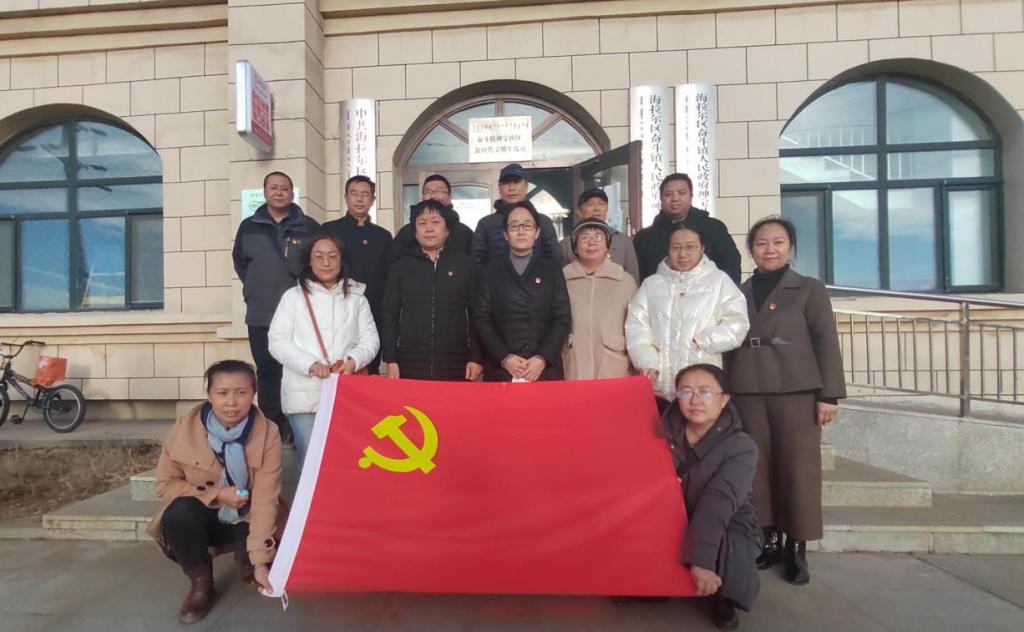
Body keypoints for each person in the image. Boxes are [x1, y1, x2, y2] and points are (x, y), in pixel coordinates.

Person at [725, 217, 845, 586]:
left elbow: (825, 340)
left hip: (797, 389)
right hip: (748, 388)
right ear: (751, 249)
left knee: (798, 469)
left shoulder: (809, 288)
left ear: (790, 247)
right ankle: (768, 540)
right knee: (756, 468)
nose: (770, 249)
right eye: (761, 243)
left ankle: (796, 546)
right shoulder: (737, 292)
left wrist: (828, 394)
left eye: (778, 242)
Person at [146, 360, 284, 624]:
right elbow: (165, 484)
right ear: (209, 394)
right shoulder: (183, 430)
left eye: (241, 392)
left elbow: (266, 498)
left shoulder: (268, 432)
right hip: (205, 514)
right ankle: (201, 582)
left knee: (254, 565)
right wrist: (218, 495)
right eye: (222, 393)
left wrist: (260, 561)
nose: (231, 402)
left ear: (253, 394)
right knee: (179, 513)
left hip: (248, 512)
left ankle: (246, 556)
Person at [268, 233, 380, 471]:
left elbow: (370, 339)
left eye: (332, 256)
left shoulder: (357, 297)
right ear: (309, 261)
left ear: (342, 260)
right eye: (318, 257)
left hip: (345, 392)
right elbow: (277, 341)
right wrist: (309, 364)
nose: (326, 262)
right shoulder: (293, 297)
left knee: (348, 461)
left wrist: (353, 360)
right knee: (312, 463)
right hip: (305, 395)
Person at [662, 364, 760, 630]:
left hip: (726, 517)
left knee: (732, 543)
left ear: (724, 399)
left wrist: (702, 561)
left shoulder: (741, 446)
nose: (695, 400)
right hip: (674, 513)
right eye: (686, 392)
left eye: (705, 392)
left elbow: (719, 500)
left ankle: (723, 597)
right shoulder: (662, 434)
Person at [232, 172, 320, 442]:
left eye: (284, 188)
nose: (279, 192)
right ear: (265, 192)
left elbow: (318, 265)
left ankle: (297, 430)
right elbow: (241, 264)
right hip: (262, 313)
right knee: (268, 372)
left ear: (292, 193)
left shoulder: (309, 227)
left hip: (300, 316)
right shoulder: (249, 227)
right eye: (274, 188)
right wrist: (256, 289)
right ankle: (271, 431)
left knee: (298, 371)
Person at [626, 225, 749, 410]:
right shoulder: (651, 284)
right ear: (668, 249)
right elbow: (636, 328)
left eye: (690, 247)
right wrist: (647, 361)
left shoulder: (719, 281)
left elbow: (737, 323)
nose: (683, 254)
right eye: (676, 247)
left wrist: (702, 341)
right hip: (660, 384)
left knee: (700, 425)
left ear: (702, 248)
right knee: (662, 426)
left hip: (702, 384)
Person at [382, 199, 483, 381]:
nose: (429, 229)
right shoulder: (401, 267)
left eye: (435, 222)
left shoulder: (466, 265)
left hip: (457, 362)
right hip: (409, 362)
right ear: (414, 231)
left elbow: (478, 314)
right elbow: (389, 314)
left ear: (447, 229)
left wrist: (476, 358)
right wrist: (390, 359)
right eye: (422, 223)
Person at [474, 200, 571, 381]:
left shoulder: (552, 270)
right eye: (514, 226)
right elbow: (482, 319)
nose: (521, 231)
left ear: (537, 232)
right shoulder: (490, 271)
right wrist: (505, 358)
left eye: (527, 225)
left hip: (544, 369)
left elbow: (562, 318)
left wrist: (542, 358)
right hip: (502, 368)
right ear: (505, 234)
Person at [320, 175, 393, 374]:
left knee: (369, 363)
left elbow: (389, 276)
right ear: (346, 197)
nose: (359, 199)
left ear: (373, 199)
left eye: (365, 194)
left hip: (374, 310)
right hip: (337, 309)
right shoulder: (329, 230)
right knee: (335, 364)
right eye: (354, 194)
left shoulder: (383, 236)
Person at [561, 218, 637, 380]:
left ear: (607, 246)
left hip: (615, 364)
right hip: (574, 362)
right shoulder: (563, 280)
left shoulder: (624, 280)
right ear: (575, 247)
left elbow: (636, 326)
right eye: (584, 237)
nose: (591, 242)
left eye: (598, 237)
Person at [634, 173, 741, 284]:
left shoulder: (714, 228)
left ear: (691, 196)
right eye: (668, 194)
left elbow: (731, 265)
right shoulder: (644, 237)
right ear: (660, 198)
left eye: (681, 193)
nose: (675, 198)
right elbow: (639, 276)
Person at [471, 163, 559, 266]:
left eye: (516, 182)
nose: (511, 188)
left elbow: (554, 261)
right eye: (506, 183)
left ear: (526, 186)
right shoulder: (486, 224)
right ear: (499, 187)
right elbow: (475, 263)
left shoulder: (543, 222)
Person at [388, 174, 475, 265]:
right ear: (422, 197)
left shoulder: (464, 232)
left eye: (440, 190)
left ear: (450, 197)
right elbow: (393, 263)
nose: (433, 195)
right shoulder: (407, 232)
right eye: (428, 191)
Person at [558, 187, 640, 283]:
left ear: (607, 209)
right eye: (590, 204)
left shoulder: (623, 241)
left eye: (601, 204)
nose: (597, 209)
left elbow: (633, 277)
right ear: (579, 211)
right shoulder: (566, 244)